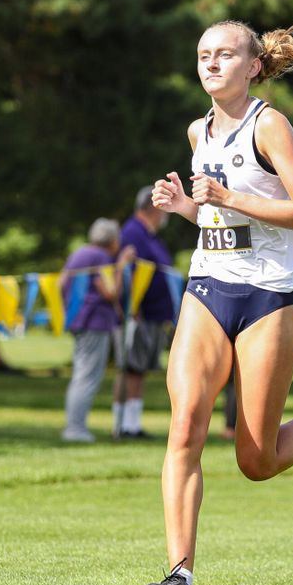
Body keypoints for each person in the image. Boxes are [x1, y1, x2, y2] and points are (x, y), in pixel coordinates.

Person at [138, 21, 293, 585]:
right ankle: (179, 576)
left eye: (224, 55)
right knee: (186, 420)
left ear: (252, 66)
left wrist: (225, 198)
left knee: (256, 461)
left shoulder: (269, 125)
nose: (211, 63)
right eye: (203, 55)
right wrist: (188, 209)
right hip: (208, 288)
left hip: (271, 299)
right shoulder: (199, 131)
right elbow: (222, 222)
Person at [59, 218, 136, 443]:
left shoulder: (80, 253)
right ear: (112, 240)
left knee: (81, 373)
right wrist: (121, 265)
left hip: (79, 320)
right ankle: (75, 429)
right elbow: (111, 292)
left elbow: (61, 283)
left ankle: (74, 425)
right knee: (87, 376)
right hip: (94, 322)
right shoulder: (100, 257)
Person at [112, 186, 174, 439]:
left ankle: (132, 424)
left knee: (141, 370)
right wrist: (130, 307)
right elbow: (127, 273)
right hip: (137, 314)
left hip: (154, 316)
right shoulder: (132, 233)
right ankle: (121, 424)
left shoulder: (151, 236)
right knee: (130, 368)